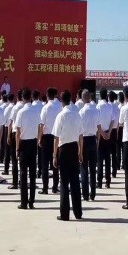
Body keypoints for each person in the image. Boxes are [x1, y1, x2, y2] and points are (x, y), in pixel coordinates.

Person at [53, 90, 84, 221]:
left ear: (61, 101)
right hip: (74, 148)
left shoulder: (61, 115)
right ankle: (78, 213)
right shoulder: (77, 115)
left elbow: (56, 137)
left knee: (64, 183)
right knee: (75, 181)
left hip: (63, 149)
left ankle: (65, 214)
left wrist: (54, 155)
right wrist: (80, 152)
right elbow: (81, 135)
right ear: (70, 99)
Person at [15, 88, 41, 209]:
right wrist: (38, 139)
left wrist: (17, 148)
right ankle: (32, 201)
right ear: (30, 97)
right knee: (32, 174)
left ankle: (24, 202)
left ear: (22, 98)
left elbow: (18, 132)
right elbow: (40, 127)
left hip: (24, 144)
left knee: (23, 173)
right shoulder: (36, 111)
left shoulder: (21, 112)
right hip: (33, 143)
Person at [38, 88, 62, 194]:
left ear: (47, 96)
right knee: (55, 163)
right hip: (57, 137)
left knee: (44, 164)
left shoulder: (46, 107)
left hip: (46, 138)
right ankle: (55, 187)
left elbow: (41, 125)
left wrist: (39, 138)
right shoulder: (60, 106)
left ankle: (45, 188)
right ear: (55, 95)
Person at [79, 90, 98, 201]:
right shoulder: (96, 110)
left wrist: (79, 148)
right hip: (93, 139)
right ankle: (93, 193)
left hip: (84, 140)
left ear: (82, 98)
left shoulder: (81, 112)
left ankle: (85, 194)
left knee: (84, 168)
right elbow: (98, 127)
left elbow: (79, 132)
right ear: (90, 97)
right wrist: (97, 141)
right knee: (92, 169)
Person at [96, 89, 114, 189]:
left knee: (99, 159)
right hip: (107, 133)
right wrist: (109, 133)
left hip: (100, 134)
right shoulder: (109, 106)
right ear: (106, 95)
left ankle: (99, 182)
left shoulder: (98, 106)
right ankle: (108, 181)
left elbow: (96, 122)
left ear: (100, 95)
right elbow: (113, 120)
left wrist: (102, 133)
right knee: (107, 159)